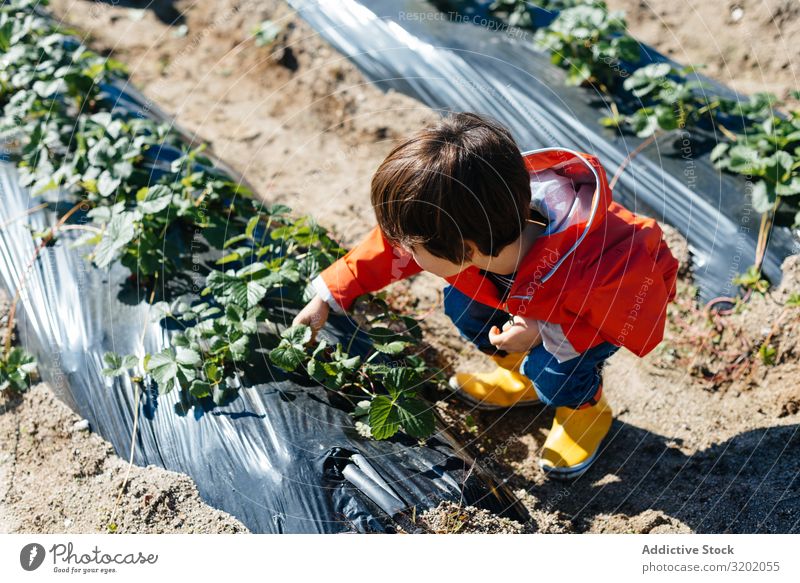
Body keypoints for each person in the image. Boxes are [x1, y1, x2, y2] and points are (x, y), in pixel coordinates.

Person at [293, 112, 678, 478]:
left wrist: (541, 328)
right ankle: (518, 378)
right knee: (463, 306)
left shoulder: (592, 266)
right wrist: (328, 295)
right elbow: (388, 247)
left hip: (590, 319)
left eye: (412, 248)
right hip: (527, 298)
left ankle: (585, 411)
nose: (402, 253)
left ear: (466, 248)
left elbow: (614, 316)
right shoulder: (476, 218)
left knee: (553, 371)